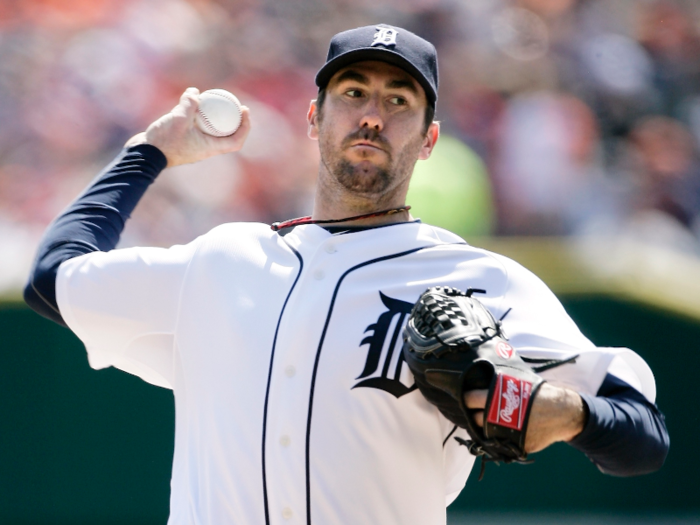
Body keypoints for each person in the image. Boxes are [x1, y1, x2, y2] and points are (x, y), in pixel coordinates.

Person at [25, 24, 668, 525]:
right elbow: (53, 278)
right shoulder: (222, 261)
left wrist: (567, 412)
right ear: (314, 117)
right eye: (353, 92)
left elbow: (644, 436)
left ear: (429, 139)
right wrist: (151, 152)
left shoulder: (481, 280)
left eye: (398, 100)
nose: (372, 114)